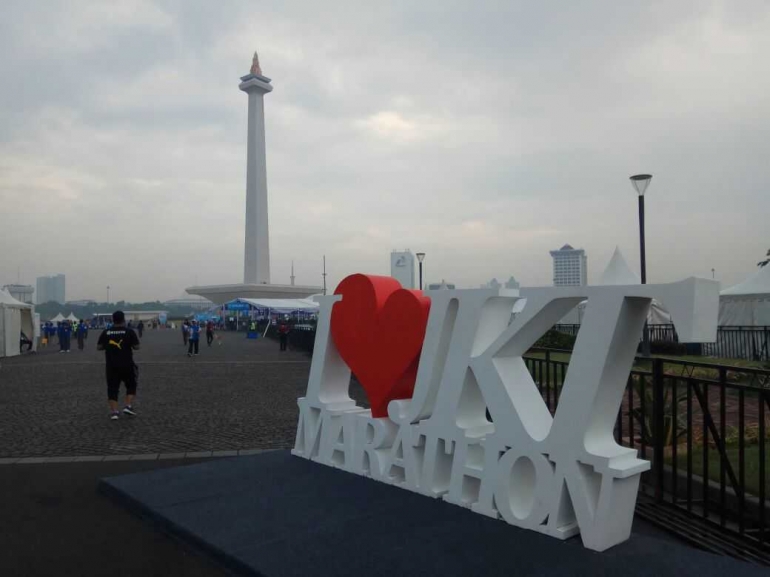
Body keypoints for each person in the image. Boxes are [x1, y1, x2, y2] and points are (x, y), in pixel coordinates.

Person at [97, 310, 141, 421]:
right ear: (123, 319)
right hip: (127, 364)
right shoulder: (129, 331)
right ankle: (128, 405)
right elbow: (137, 347)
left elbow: (99, 347)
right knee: (131, 385)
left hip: (111, 365)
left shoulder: (106, 332)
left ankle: (114, 412)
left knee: (112, 389)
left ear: (113, 319)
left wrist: (109, 346)